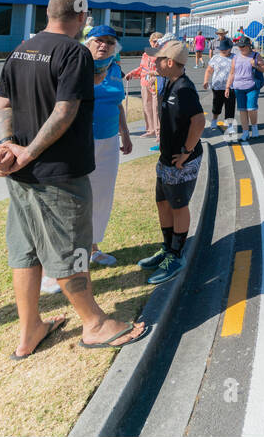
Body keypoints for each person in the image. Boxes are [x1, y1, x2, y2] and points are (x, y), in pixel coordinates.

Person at [0, 0, 149, 357]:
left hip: (21, 174)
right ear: (82, 17)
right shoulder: (74, 52)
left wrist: (7, 146)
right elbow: (64, 111)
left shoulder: (21, 50)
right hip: (59, 171)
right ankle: (94, 323)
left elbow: (1, 106)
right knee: (72, 247)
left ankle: (30, 328)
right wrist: (28, 152)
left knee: (26, 250)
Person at [137, 40, 207, 284]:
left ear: (169, 63)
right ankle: (167, 248)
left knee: (178, 206)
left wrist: (186, 152)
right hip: (166, 158)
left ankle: (176, 256)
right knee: (163, 203)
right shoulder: (168, 82)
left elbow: (199, 122)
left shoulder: (184, 88)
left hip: (181, 160)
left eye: (157, 59)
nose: (153, 62)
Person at [84, 25, 134, 268]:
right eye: (99, 41)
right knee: (77, 197)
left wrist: (125, 133)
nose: (104, 45)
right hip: (80, 141)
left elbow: (117, 103)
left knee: (102, 195)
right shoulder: (77, 67)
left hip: (109, 140)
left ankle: (93, 247)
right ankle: (72, 253)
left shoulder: (115, 68)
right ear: (88, 43)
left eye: (110, 42)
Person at [226, 35, 264, 140]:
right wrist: (227, 87)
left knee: (251, 108)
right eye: (239, 46)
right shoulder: (235, 57)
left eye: (243, 46)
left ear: (249, 46)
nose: (241, 48)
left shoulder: (256, 55)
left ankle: (254, 128)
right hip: (238, 87)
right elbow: (232, 73)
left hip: (252, 86)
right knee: (242, 110)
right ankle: (245, 132)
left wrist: (256, 66)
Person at [126, 32, 164, 138]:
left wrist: (156, 76)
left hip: (156, 84)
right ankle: (150, 130)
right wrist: (132, 73)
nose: (156, 43)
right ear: (150, 42)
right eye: (154, 41)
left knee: (156, 108)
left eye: (158, 41)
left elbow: (164, 70)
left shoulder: (162, 54)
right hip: (144, 83)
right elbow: (142, 68)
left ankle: (159, 132)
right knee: (147, 107)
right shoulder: (146, 54)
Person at [204, 36, 236, 132]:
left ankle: (229, 125)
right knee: (217, 105)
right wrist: (206, 80)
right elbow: (209, 70)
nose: (223, 51)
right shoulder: (215, 57)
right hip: (217, 86)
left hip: (231, 86)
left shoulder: (234, 57)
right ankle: (214, 120)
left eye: (225, 49)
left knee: (230, 106)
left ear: (230, 48)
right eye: (221, 49)